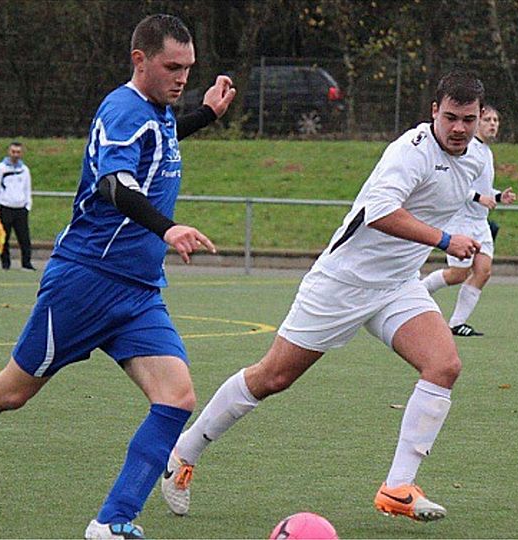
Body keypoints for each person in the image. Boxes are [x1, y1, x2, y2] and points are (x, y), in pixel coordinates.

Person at [0, 14, 236, 539]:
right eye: (172, 66)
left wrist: (206, 114)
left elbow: (162, 141)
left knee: (176, 397)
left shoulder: (158, 110)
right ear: (139, 60)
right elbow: (114, 185)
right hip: (86, 281)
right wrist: (167, 230)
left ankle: (113, 521)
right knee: (11, 392)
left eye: (188, 67)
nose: (182, 76)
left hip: (138, 292)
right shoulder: (122, 109)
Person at [160, 69, 487, 523]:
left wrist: (471, 229)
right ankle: (182, 454)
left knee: (444, 365)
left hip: (397, 284)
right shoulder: (409, 153)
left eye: (468, 120)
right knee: (273, 377)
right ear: (434, 111)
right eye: (450, 117)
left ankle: (397, 488)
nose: (458, 129)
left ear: (479, 118)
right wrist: (445, 240)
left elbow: (461, 196)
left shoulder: (475, 157)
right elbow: (379, 212)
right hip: (343, 282)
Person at [420, 106, 516, 336]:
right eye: (488, 120)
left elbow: (481, 188)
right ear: (478, 122)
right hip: (460, 221)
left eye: (496, 120)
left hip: (479, 221)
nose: (493, 124)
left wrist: (498, 196)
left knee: (483, 271)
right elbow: (455, 183)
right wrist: (479, 197)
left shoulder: (486, 152)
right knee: (458, 274)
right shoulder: (468, 149)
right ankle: (417, 291)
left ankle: (456, 323)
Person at [0, 141, 35, 270]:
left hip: (21, 208)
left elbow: (27, 188)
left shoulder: (24, 170)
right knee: (4, 238)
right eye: (13, 152)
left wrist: (28, 205)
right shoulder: (0, 168)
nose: (15, 154)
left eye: (18, 152)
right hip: (5, 207)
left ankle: (26, 264)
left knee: (24, 238)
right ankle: (5, 264)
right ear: (9, 152)